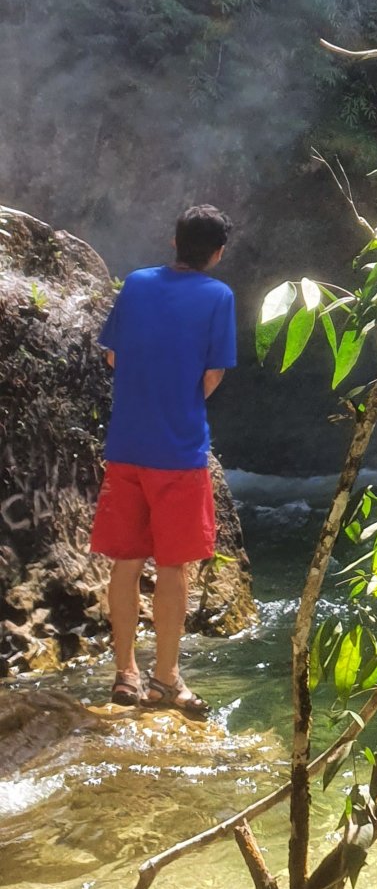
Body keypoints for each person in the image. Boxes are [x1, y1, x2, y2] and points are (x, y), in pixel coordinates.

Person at [90, 204, 236, 717]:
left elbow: (113, 355)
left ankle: (125, 674)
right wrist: (179, 400)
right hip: (180, 453)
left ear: (174, 241)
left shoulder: (136, 284)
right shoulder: (219, 296)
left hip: (127, 447)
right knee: (173, 566)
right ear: (218, 253)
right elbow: (213, 374)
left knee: (126, 562)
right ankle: (166, 679)